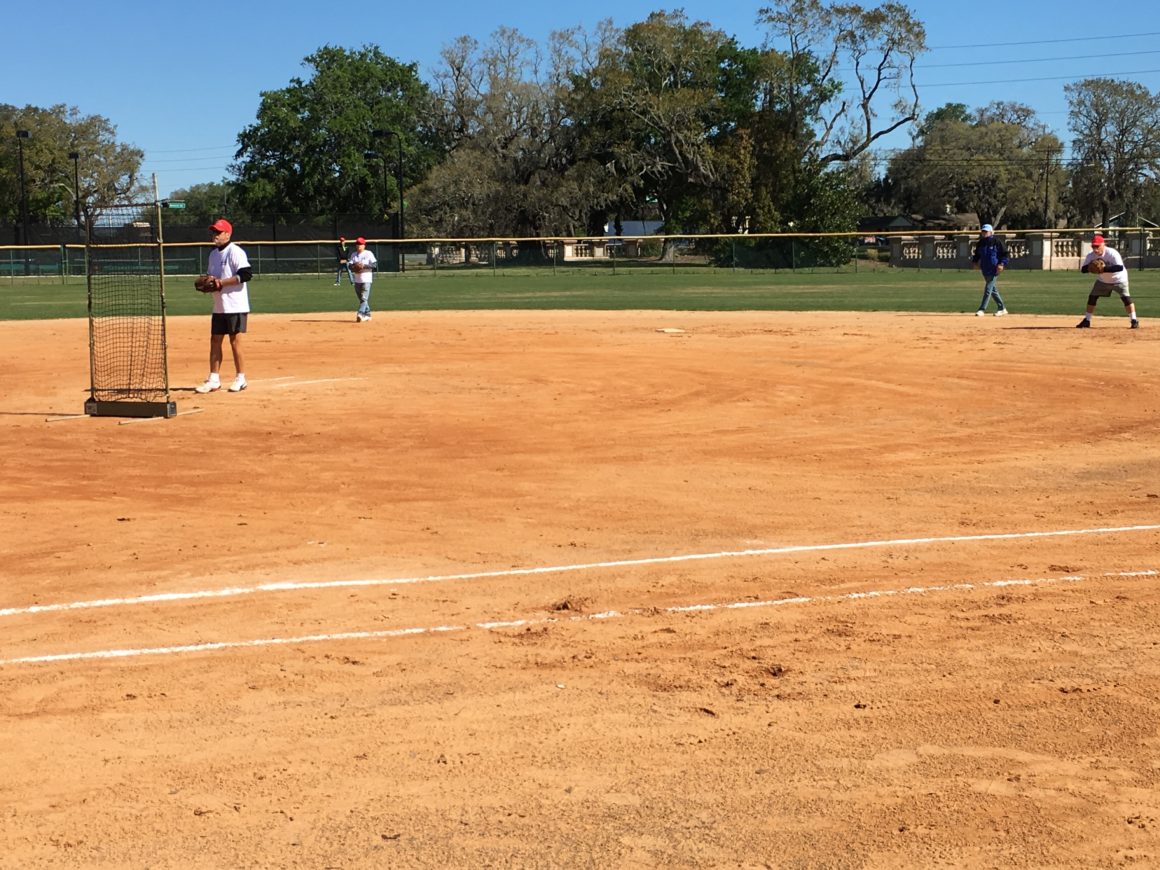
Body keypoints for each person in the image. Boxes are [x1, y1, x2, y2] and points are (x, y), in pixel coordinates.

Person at [195, 219, 252, 393]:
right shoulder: (213, 254)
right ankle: (214, 379)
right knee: (215, 341)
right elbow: (213, 277)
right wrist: (209, 282)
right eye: (214, 232)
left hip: (235, 305)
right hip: (219, 305)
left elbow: (246, 274)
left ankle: (241, 378)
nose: (215, 235)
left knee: (235, 341)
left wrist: (221, 283)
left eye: (218, 232)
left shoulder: (235, 252)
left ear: (228, 234)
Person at [1076, 233, 1139, 329]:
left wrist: (1103, 269)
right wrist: (1090, 267)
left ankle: (1134, 320)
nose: (1095, 249)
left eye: (1097, 246)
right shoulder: (1091, 256)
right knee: (1092, 297)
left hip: (1119, 279)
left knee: (1126, 299)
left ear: (1103, 245)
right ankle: (1087, 320)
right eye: (1093, 246)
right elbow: (1083, 270)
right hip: (1103, 281)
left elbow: (1119, 267)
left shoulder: (1112, 253)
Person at [971, 223, 1009, 317]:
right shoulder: (980, 243)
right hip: (985, 268)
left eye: (986, 231)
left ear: (991, 232)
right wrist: (975, 262)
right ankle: (1002, 308)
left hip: (994, 268)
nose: (984, 233)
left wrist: (1001, 264)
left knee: (988, 289)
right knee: (992, 289)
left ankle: (982, 309)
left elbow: (1005, 254)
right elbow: (977, 254)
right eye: (983, 231)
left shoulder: (997, 242)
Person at [348, 237, 378, 322]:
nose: (358, 246)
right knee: (362, 299)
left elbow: (374, 265)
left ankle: (360, 313)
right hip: (357, 280)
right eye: (357, 244)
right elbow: (350, 266)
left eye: (360, 244)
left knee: (364, 298)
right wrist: (355, 266)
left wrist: (363, 266)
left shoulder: (368, 253)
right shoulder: (353, 254)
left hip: (366, 279)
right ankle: (368, 314)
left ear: (364, 245)